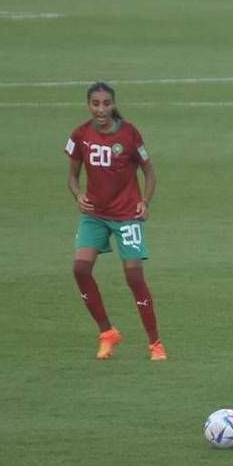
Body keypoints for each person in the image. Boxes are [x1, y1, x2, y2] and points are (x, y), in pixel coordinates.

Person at [65, 81, 167, 361]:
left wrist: (144, 201)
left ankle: (155, 343)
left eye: (106, 104)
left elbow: (149, 171)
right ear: (88, 105)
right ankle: (107, 333)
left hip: (126, 216)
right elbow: (72, 176)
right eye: (95, 104)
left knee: (134, 277)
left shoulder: (130, 134)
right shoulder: (80, 135)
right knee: (80, 269)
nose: (101, 109)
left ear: (113, 105)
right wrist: (78, 195)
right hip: (94, 215)